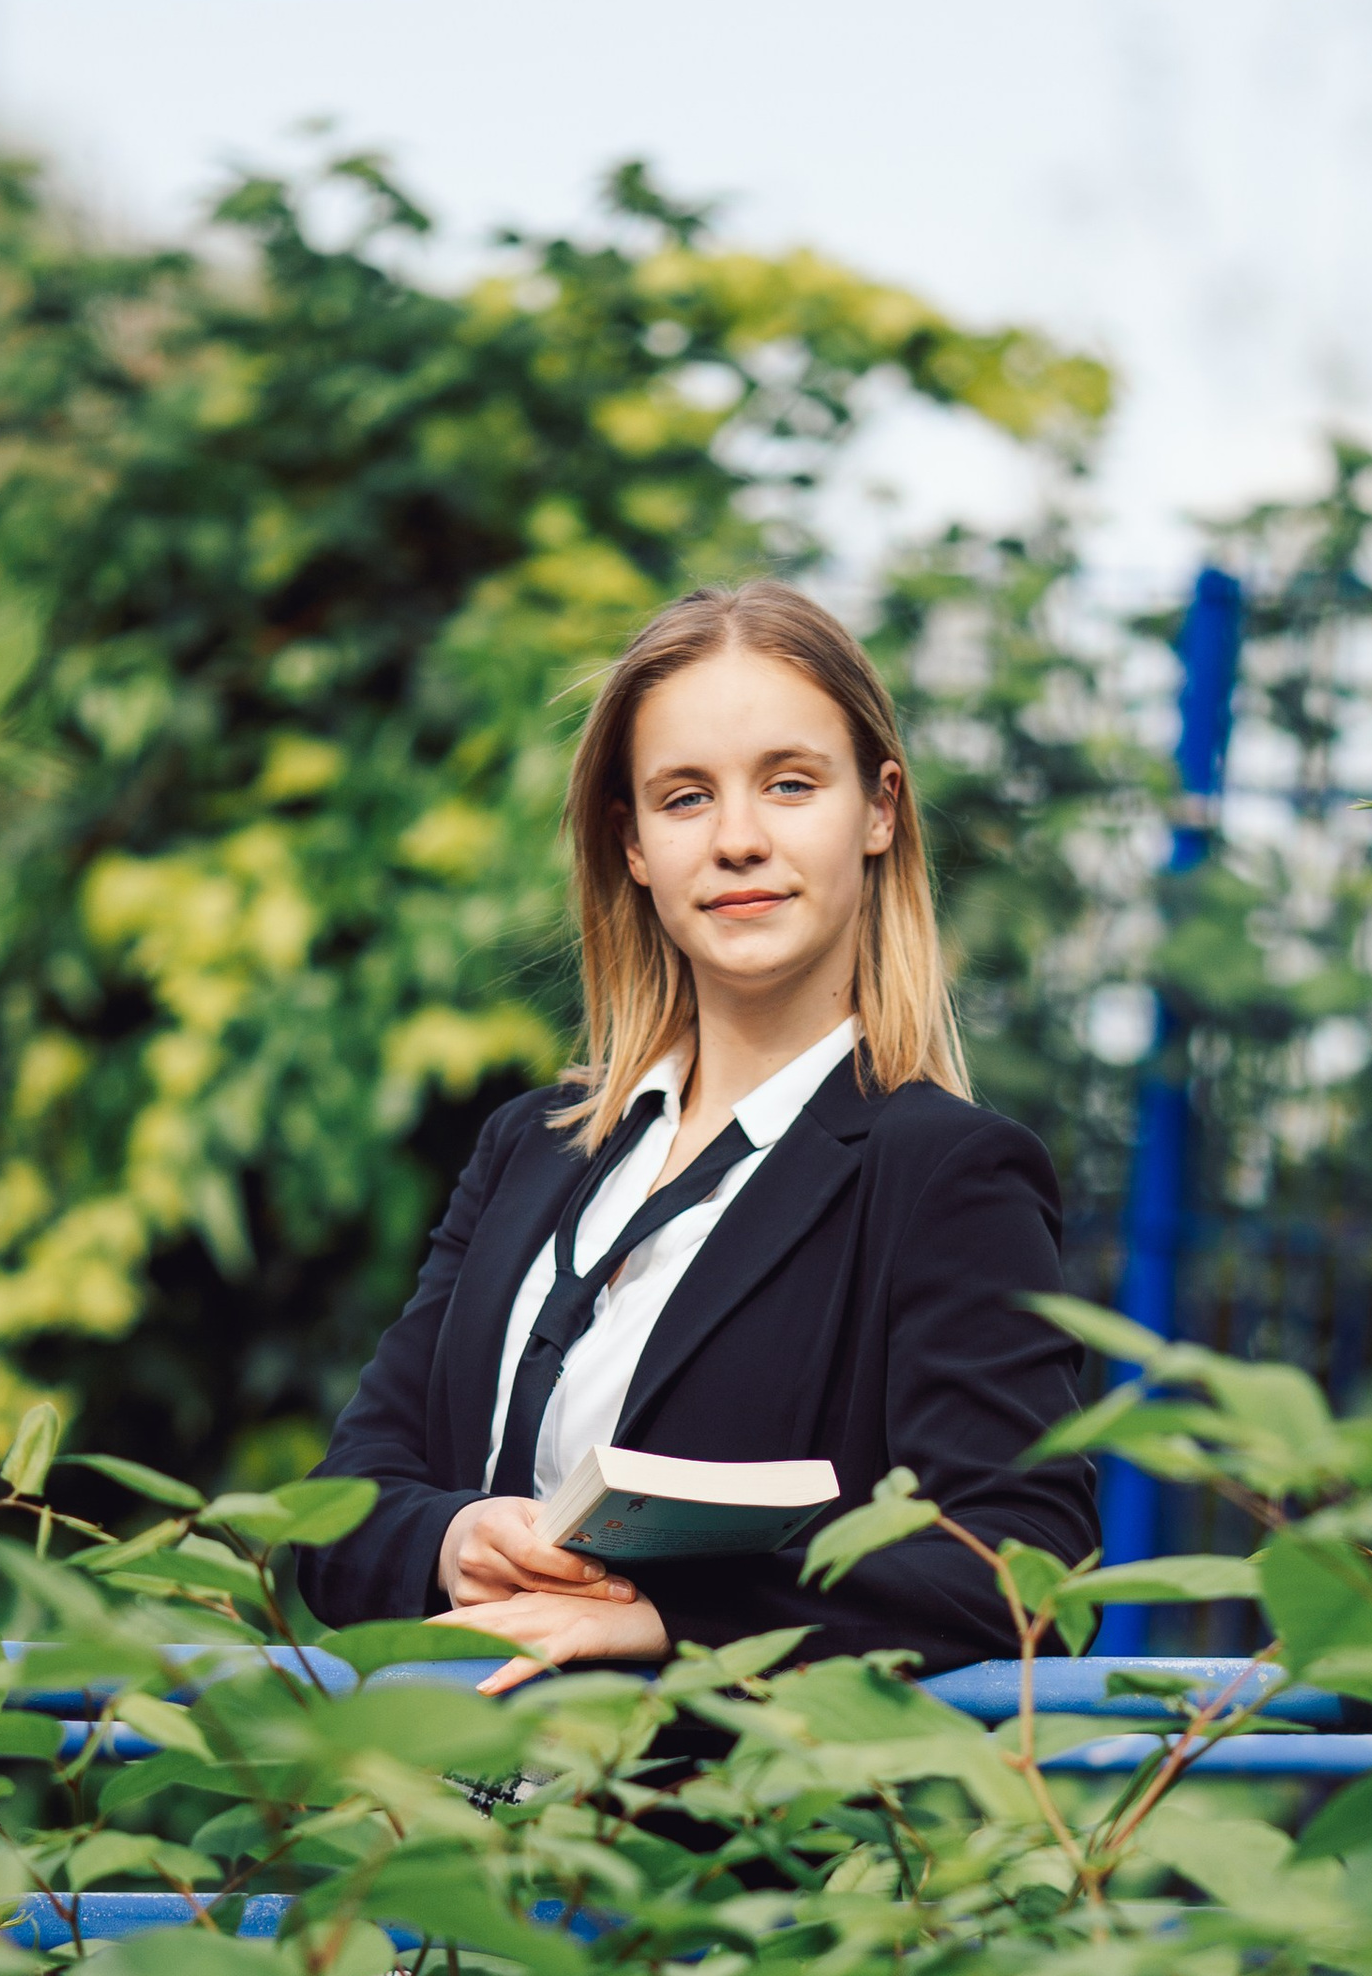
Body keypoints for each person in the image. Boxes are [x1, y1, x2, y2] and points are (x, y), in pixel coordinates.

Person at [298, 579, 1096, 1684]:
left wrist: (679, 1617)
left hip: (704, 1841)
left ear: (878, 810)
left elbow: (1023, 1570)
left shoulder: (945, 1174)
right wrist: (451, 1539)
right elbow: (337, 1517)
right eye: (683, 799)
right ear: (631, 846)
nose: (736, 840)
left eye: (788, 784)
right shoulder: (531, 1151)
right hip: (424, 1826)